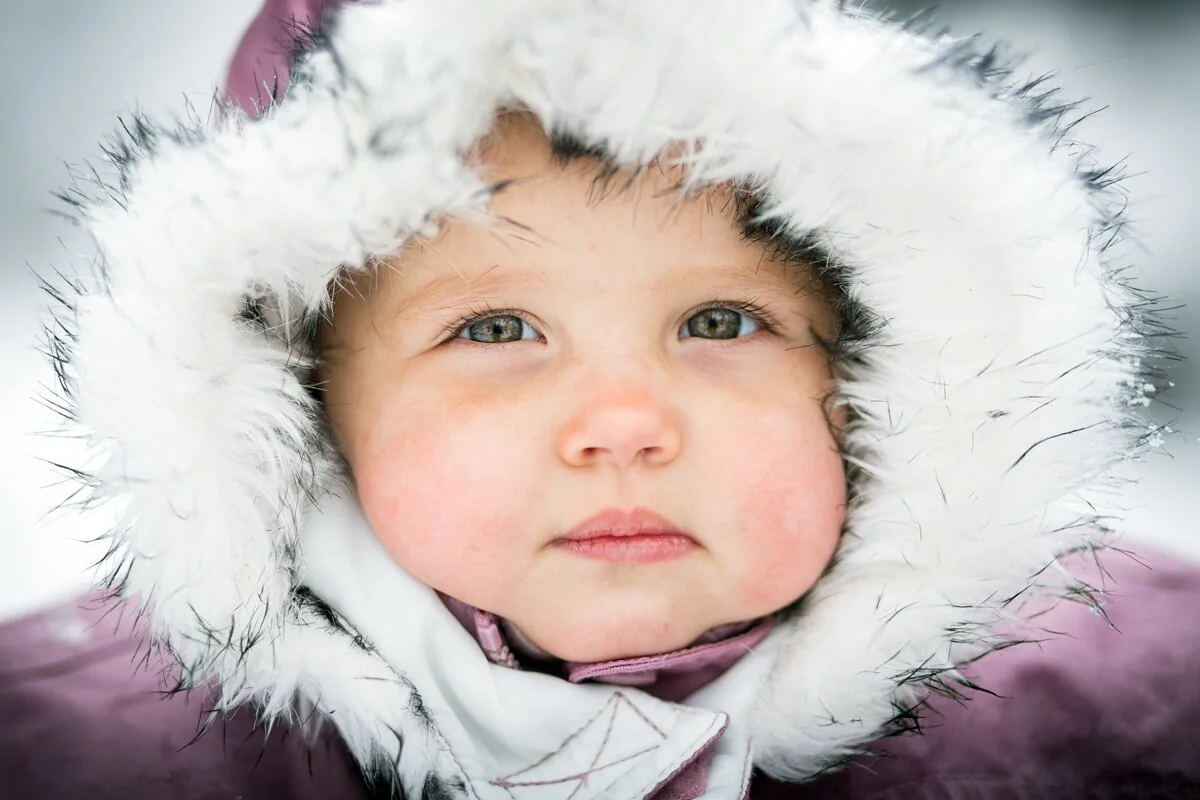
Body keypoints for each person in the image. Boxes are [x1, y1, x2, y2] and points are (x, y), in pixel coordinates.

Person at [3, 0, 1198, 797]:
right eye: (497, 327)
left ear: (871, 382)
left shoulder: (1140, 707)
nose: (624, 421)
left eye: (721, 321)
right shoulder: (76, 749)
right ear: (305, 401)